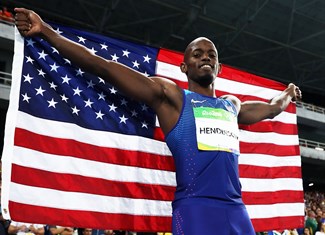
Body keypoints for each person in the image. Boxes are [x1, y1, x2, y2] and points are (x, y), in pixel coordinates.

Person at [14, 8, 302, 235]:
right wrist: (47, 32)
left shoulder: (231, 105)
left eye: (211, 55)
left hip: (236, 209)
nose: (205, 58)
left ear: (219, 67)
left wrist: (287, 93)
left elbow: (271, 108)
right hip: (195, 209)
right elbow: (102, 66)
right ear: (184, 66)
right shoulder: (172, 98)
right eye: (197, 54)